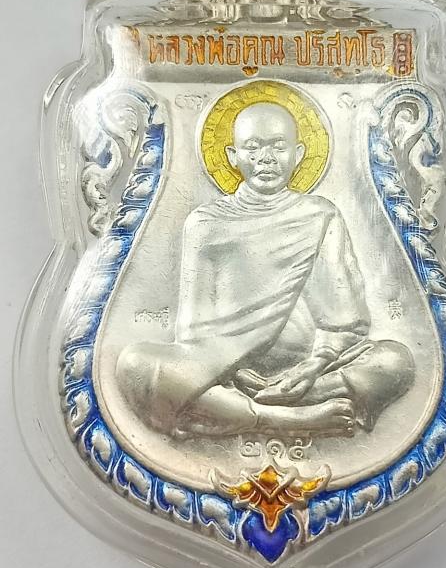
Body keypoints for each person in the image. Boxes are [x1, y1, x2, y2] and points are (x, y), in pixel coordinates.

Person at [116, 102, 414, 438]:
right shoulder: (206, 223)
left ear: (298, 154)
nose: (266, 159)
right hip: (226, 375)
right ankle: (283, 418)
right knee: (136, 365)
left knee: (394, 361)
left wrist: (313, 366)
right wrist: (229, 369)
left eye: (278, 147)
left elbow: (344, 318)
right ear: (233, 156)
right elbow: (194, 330)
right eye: (253, 147)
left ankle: (250, 408)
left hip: (312, 372)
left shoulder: (320, 216)